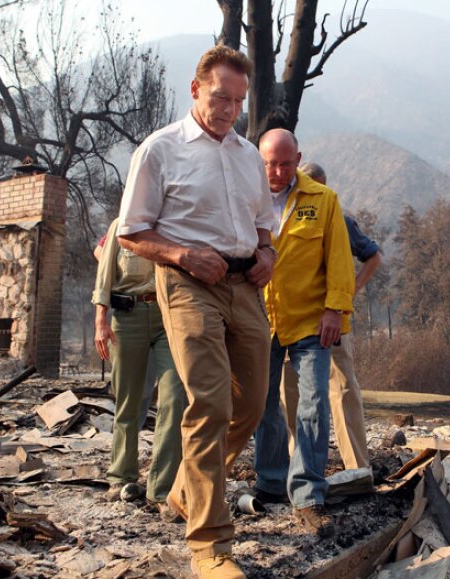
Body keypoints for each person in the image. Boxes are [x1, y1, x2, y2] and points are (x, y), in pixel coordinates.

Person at [116, 45, 276, 579]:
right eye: (219, 97)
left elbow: (262, 225)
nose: (229, 109)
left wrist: (267, 255)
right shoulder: (159, 150)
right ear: (195, 90)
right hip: (187, 285)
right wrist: (182, 254)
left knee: (249, 404)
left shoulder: (249, 155)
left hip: (244, 287)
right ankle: (210, 546)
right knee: (208, 402)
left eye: (238, 101)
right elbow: (132, 231)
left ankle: (186, 488)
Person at [252, 129, 355, 538]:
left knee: (313, 403)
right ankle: (272, 481)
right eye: (269, 164)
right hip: (261, 320)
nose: (277, 172)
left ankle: (309, 492)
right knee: (263, 405)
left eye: (285, 163)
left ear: (298, 158)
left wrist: (335, 309)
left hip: (312, 320)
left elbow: (340, 260)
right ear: (258, 160)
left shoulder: (323, 200)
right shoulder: (246, 199)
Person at [280, 162, 381, 495]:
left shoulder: (336, 211)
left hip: (332, 318)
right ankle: (300, 466)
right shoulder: (281, 212)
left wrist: (349, 291)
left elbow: (373, 255)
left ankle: (358, 467)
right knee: (291, 394)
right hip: (292, 319)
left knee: (342, 390)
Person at [92, 218, 187, 519]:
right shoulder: (121, 225)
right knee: (128, 400)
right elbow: (104, 274)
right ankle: (121, 475)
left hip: (169, 317)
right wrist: (100, 322)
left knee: (174, 398)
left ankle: (161, 488)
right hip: (127, 318)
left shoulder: (176, 223)